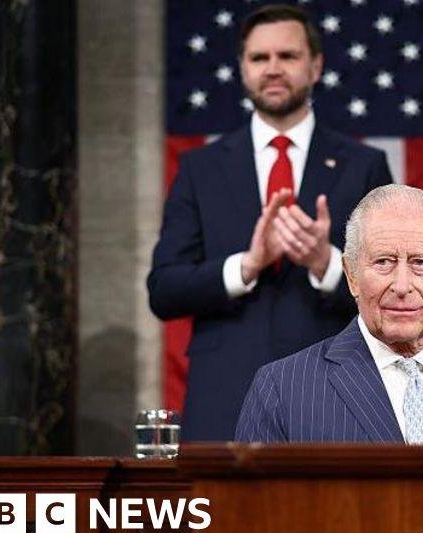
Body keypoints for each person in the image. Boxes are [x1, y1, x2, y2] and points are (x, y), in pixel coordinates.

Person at [148, 5, 393, 441]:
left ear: (315, 66)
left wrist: (325, 263)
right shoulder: (200, 169)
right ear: (243, 69)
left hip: (336, 394)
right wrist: (246, 265)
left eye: (288, 56)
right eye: (259, 58)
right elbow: (164, 290)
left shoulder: (364, 166)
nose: (273, 68)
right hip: (225, 397)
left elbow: (392, 288)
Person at [235, 185, 423, 443]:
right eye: (384, 262)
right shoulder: (283, 389)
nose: (402, 286)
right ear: (351, 275)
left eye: (420, 263)